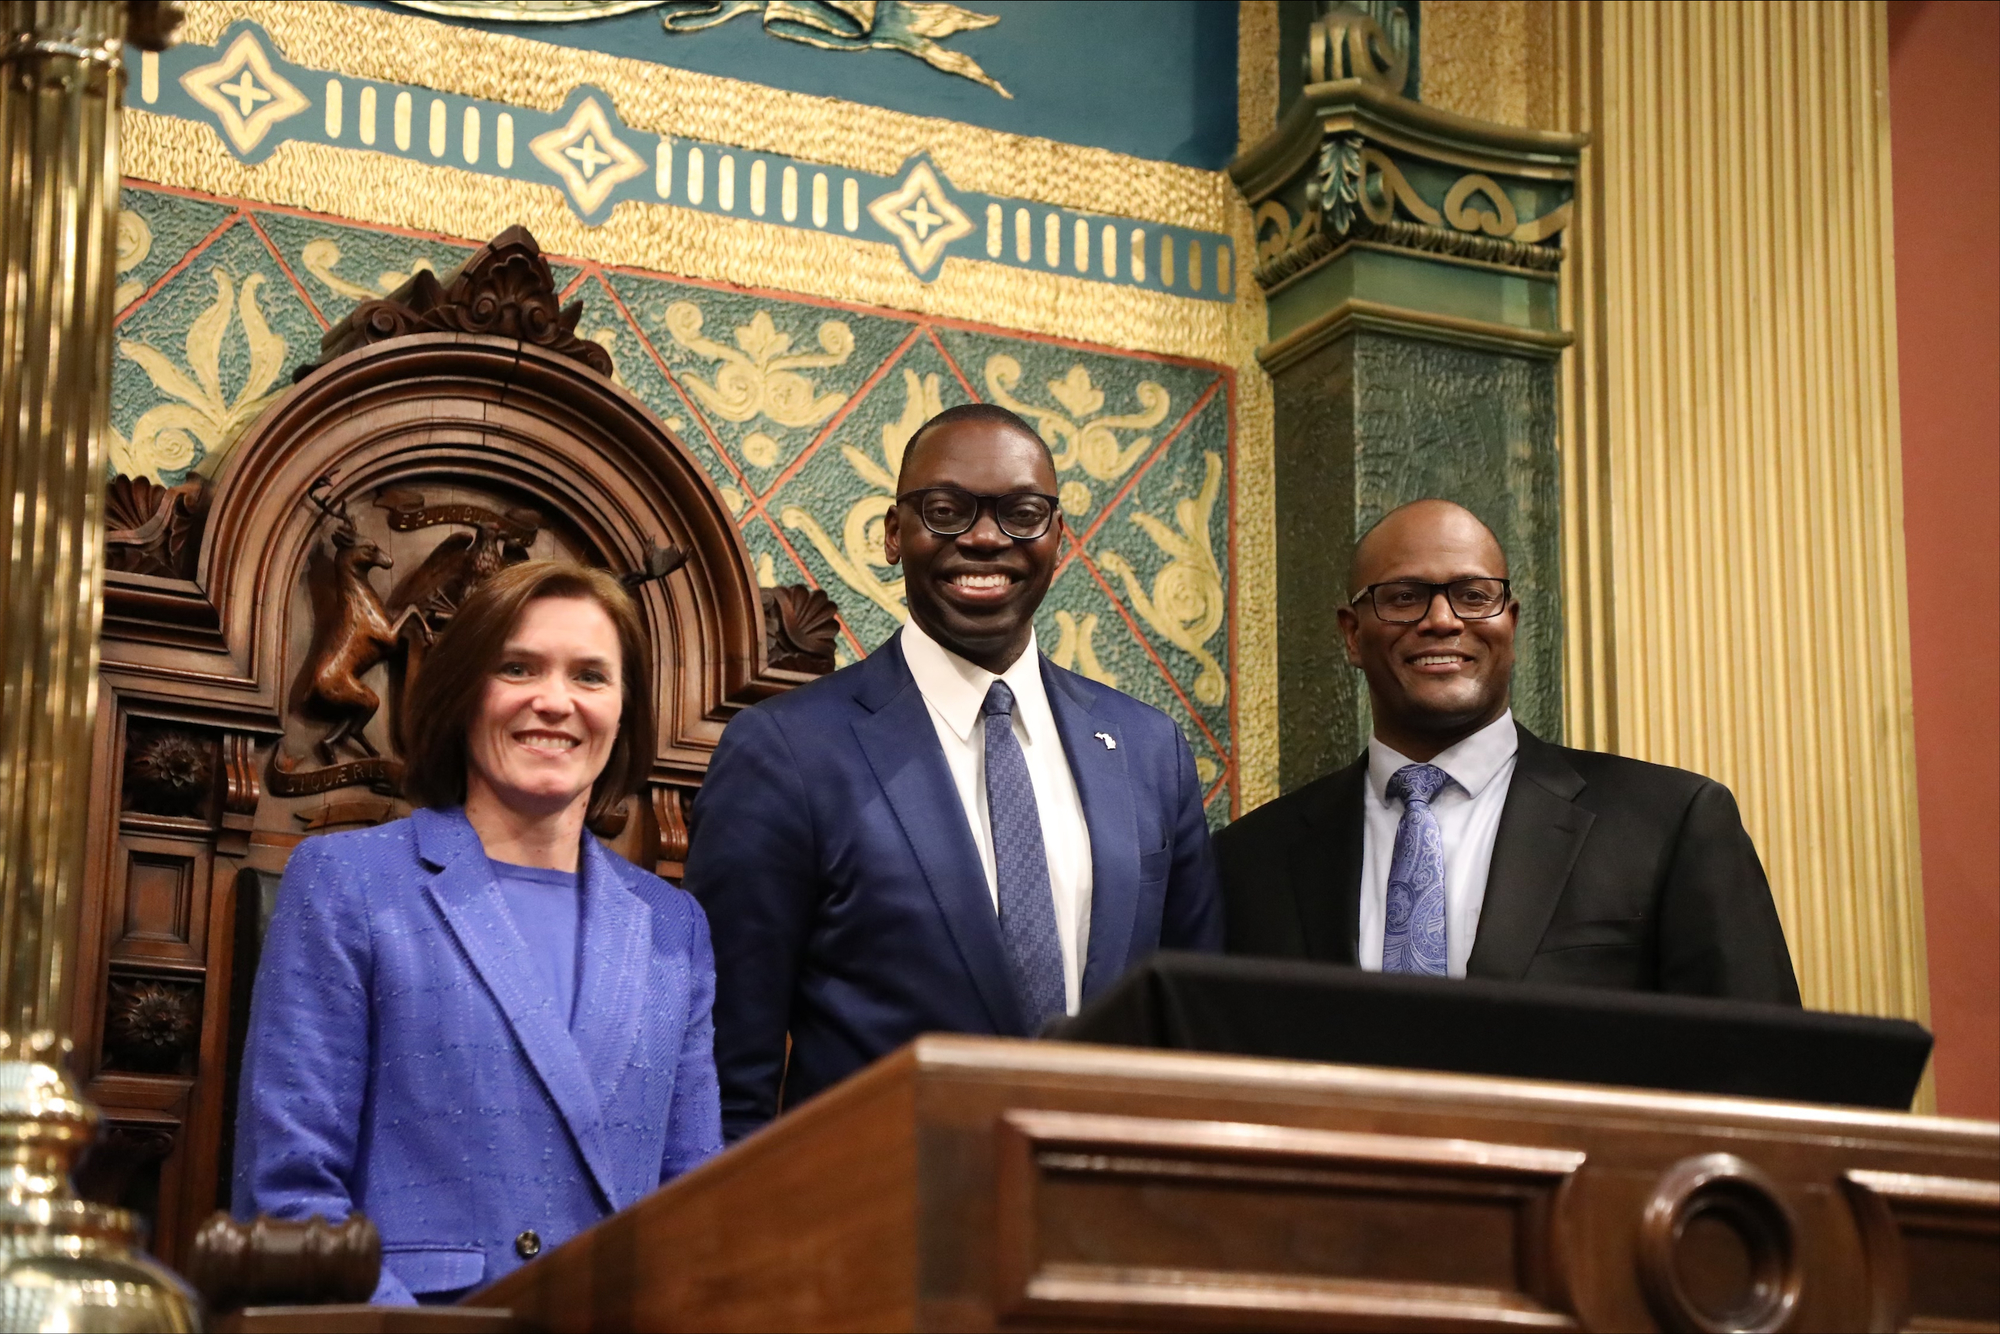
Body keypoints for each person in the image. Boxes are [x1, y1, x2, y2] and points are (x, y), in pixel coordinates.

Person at [685, 403, 1223, 1143]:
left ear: (1057, 538)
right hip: (881, 1229)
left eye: (1021, 513)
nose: (983, 537)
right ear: (890, 533)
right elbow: (724, 1076)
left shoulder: (1147, 749)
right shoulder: (786, 752)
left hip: (1106, 1226)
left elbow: (1194, 1048)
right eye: (945, 511)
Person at [234, 561, 721, 1304]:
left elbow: (696, 1210)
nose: (554, 701)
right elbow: (290, 1198)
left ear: (624, 710)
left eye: (591, 676)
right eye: (518, 668)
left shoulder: (671, 927)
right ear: (464, 695)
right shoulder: (347, 882)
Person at [1217, 499, 1800, 1003]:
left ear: (1510, 624)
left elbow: (1764, 1065)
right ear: (1352, 634)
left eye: (1474, 596)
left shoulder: (1669, 822)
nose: (1442, 620)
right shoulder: (1249, 861)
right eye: (1403, 597)